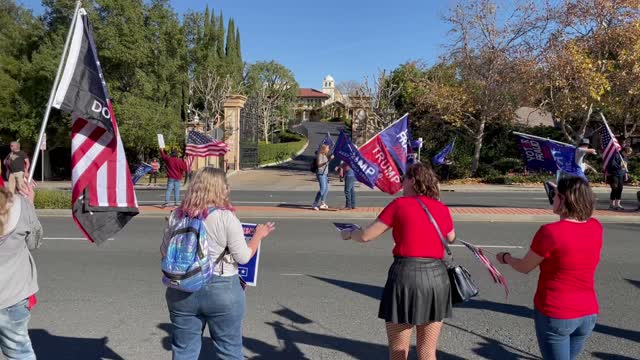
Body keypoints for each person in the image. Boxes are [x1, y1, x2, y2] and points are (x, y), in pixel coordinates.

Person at [341, 163, 454, 360]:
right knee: (428, 351)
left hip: (406, 277)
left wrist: (349, 233)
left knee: (398, 350)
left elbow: (367, 235)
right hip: (437, 279)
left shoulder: (399, 205)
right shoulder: (442, 208)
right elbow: (451, 238)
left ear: (413, 180)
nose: (401, 184)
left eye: (403, 179)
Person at [161, 167, 275, 360]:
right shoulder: (225, 217)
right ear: (218, 189)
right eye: (226, 186)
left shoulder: (177, 215)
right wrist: (258, 236)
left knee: (183, 351)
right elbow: (244, 257)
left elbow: (165, 252)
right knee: (229, 351)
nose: (228, 189)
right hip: (222, 287)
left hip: (181, 288)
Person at [496, 177, 602, 360]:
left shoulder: (550, 232)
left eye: (554, 195)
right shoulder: (596, 227)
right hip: (587, 312)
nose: (552, 199)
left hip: (557, 313)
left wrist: (506, 258)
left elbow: (524, 267)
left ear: (564, 199)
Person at [0, 182, 43, 360]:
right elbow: (35, 242)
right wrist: (29, 205)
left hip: (13, 297)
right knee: (19, 352)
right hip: (12, 295)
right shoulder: (21, 205)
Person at [606, 146, 632, 210]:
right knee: (615, 188)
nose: (628, 155)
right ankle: (612, 204)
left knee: (620, 188)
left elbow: (625, 166)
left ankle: (618, 204)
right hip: (614, 174)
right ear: (624, 151)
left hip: (621, 174)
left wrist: (625, 174)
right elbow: (612, 164)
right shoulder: (616, 155)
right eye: (628, 153)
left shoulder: (625, 157)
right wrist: (620, 166)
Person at [312, 144, 333, 211]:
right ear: (324, 149)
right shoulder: (319, 155)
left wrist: (329, 159)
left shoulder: (324, 155)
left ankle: (322, 203)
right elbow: (318, 165)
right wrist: (328, 160)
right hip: (320, 174)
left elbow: (326, 163)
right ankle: (315, 204)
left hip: (325, 174)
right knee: (322, 189)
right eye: (327, 148)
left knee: (326, 189)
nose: (328, 149)